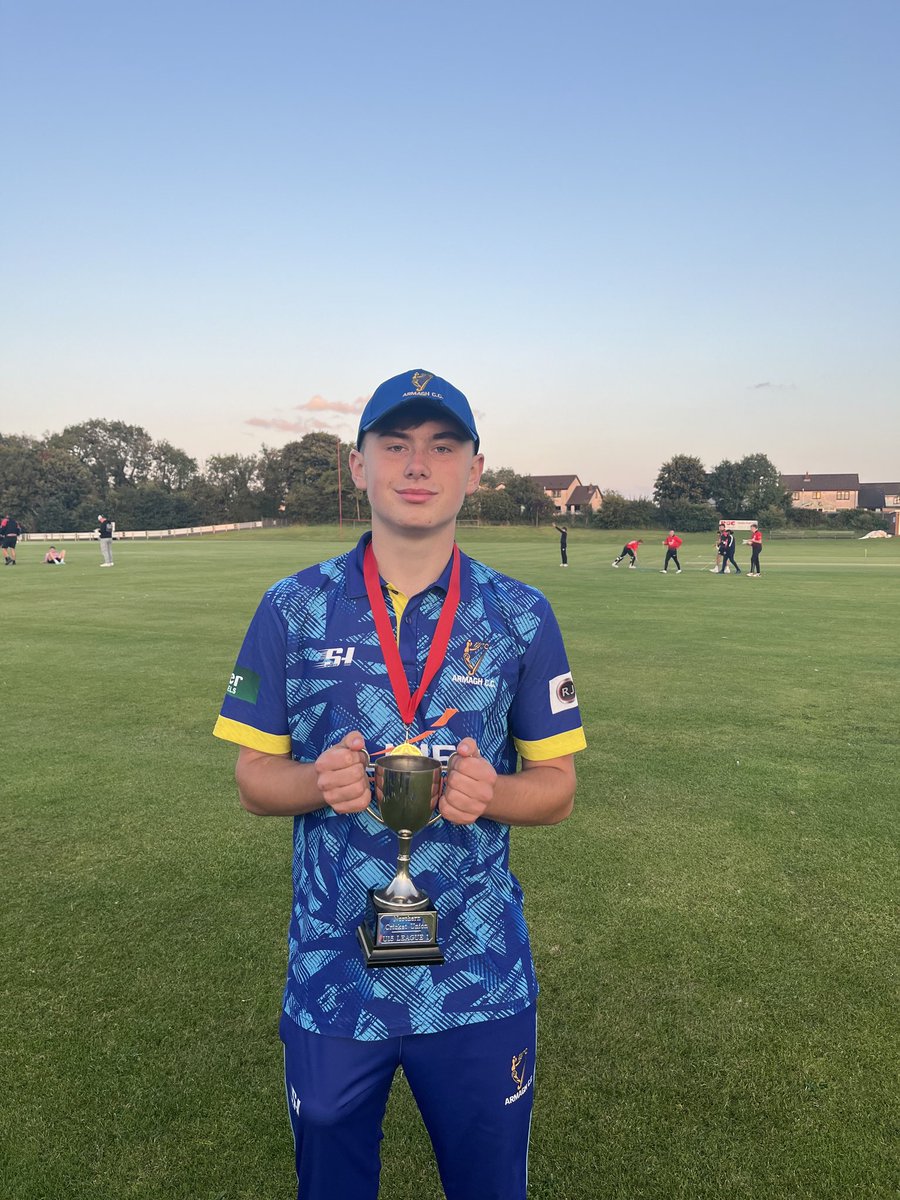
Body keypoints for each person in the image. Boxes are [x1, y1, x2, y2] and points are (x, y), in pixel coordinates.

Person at [213, 369, 586, 1200]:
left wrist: (491, 792)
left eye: (441, 447)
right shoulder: (292, 608)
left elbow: (556, 788)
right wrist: (317, 780)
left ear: (474, 471)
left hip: (479, 974)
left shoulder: (521, 615)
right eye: (396, 445)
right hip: (332, 976)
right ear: (359, 467)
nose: (418, 465)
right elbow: (251, 779)